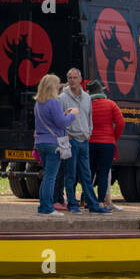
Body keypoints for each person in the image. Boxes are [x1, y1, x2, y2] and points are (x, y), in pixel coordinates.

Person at [58, 68, 106, 213]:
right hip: (71, 140)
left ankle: (92, 204)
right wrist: (66, 135)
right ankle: (72, 204)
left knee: (87, 174)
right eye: (69, 77)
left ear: (80, 79)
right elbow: (59, 120)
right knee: (70, 175)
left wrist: (89, 131)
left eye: (74, 77)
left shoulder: (86, 98)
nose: (72, 80)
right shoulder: (62, 98)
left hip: (84, 140)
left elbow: (89, 116)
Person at [32, 74, 81, 216]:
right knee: (50, 177)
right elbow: (61, 123)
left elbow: (50, 120)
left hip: (41, 142)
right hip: (53, 143)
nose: (59, 87)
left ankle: (43, 207)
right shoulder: (53, 102)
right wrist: (72, 114)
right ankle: (47, 208)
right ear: (52, 87)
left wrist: (63, 114)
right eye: (58, 84)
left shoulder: (38, 102)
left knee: (47, 175)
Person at [86, 79, 124, 211]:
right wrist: (114, 137)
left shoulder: (86, 105)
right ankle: (101, 202)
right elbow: (120, 123)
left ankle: (87, 200)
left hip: (90, 142)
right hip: (107, 143)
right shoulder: (111, 104)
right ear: (101, 91)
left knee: (89, 172)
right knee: (103, 173)